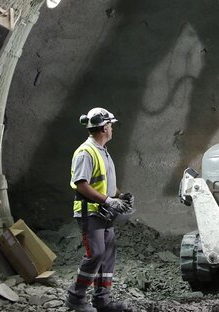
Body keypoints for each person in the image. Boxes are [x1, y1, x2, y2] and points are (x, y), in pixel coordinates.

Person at [66, 107, 134, 312]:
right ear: (104, 127)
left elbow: (105, 183)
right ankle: (75, 299)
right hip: (90, 212)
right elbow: (81, 184)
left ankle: (102, 302)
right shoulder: (86, 152)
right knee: (95, 253)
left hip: (103, 212)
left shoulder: (102, 151)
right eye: (110, 125)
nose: (112, 128)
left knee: (107, 255)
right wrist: (108, 201)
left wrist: (119, 197)